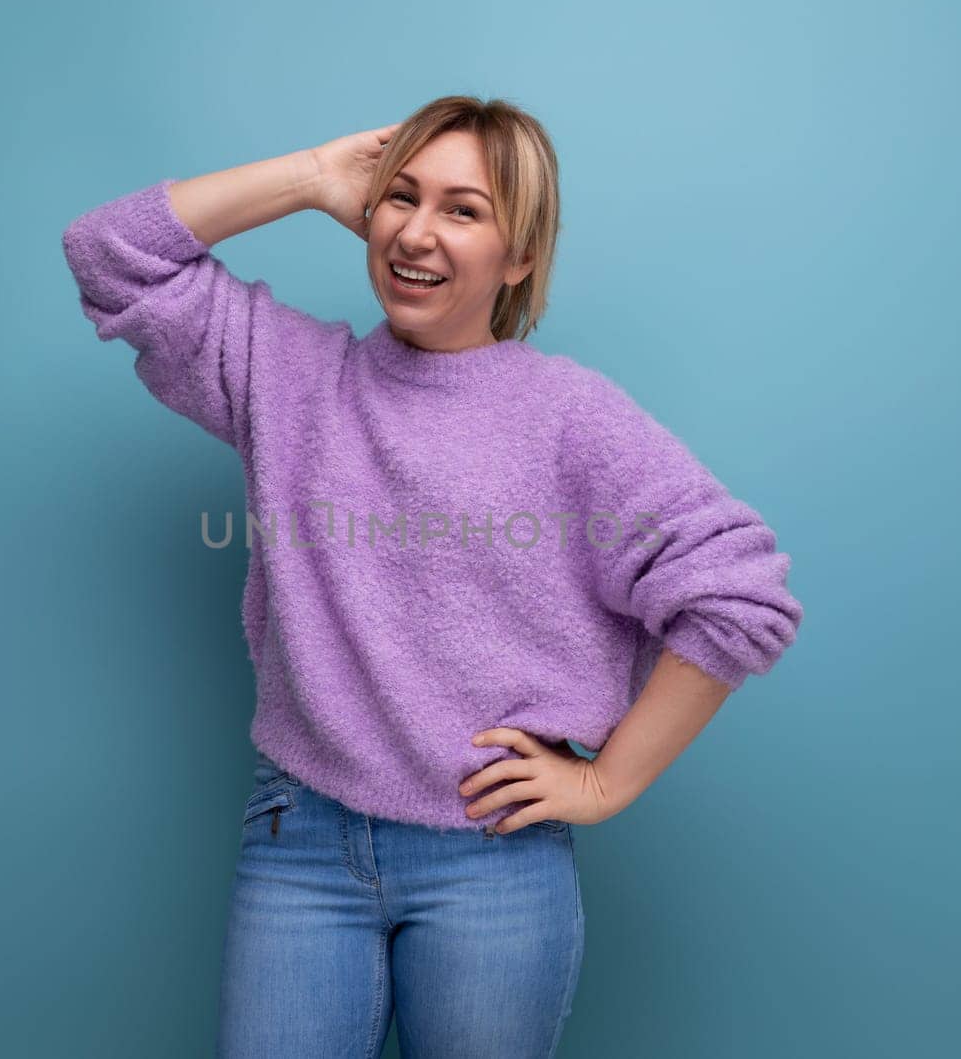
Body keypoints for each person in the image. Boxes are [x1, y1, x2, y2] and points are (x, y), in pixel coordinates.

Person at [61, 95, 804, 1058]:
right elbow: (108, 251)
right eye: (398, 197)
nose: (416, 231)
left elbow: (740, 595)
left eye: (464, 209)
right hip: (299, 842)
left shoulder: (571, 418)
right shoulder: (286, 375)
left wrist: (606, 784)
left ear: (521, 254)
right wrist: (310, 176)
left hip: (489, 864)